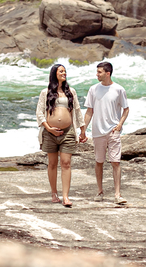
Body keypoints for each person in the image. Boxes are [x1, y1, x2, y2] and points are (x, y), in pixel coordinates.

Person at [36, 63, 86, 207]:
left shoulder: (71, 92)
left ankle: (65, 197)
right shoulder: (45, 93)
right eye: (61, 71)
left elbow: (77, 111)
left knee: (66, 163)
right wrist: (49, 128)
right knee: (52, 164)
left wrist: (82, 130)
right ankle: (53, 193)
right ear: (54, 74)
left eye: (65, 71)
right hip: (49, 133)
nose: (64, 73)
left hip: (68, 132)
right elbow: (39, 113)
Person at [83, 61, 130, 205]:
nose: (97, 74)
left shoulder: (119, 89)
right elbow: (89, 111)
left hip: (113, 131)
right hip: (97, 131)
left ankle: (117, 194)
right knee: (99, 162)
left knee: (115, 162)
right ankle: (99, 191)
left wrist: (120, 125)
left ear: (107, 73)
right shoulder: (93, 89)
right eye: (97, 72)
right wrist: (83, 130)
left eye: (99, 72)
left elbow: (126, 109)